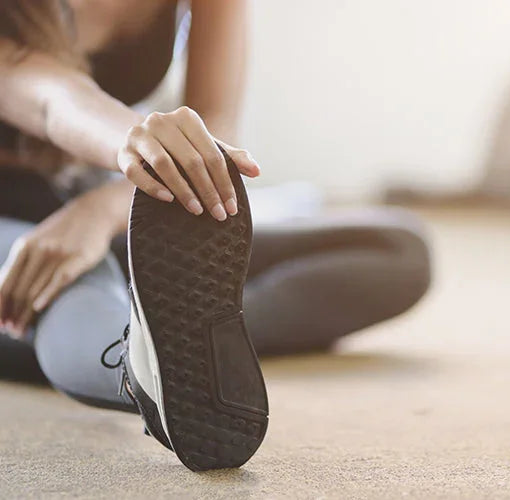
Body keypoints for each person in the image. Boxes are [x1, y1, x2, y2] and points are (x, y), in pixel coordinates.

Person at [0, 0, 431, 468]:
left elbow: (215, 126)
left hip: (85, 199)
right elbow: (50, 98)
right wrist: (134, 140)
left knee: (397, 250)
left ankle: (173, 338)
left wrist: (98, 213)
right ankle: (140, 365)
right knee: (69, 278)